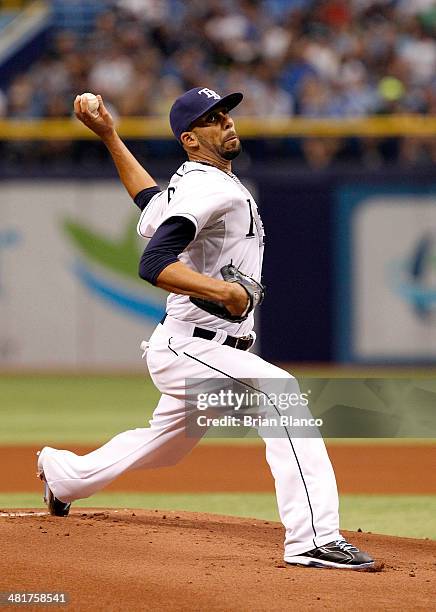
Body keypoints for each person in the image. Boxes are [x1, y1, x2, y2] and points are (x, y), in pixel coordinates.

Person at [37, 86, 374, 570]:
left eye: (226, 114)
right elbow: (153, 262)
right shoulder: (207, 186)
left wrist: (110, 135)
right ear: (191, 139)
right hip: (190, 348)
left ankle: (63, 475)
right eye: (214, 119)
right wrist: (224, 293)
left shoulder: (195, 181)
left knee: (164, 446)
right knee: (281, 392)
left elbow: (148, 201)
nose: (227, 122)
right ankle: (312, 539)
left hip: (198, 347)